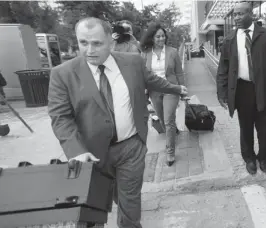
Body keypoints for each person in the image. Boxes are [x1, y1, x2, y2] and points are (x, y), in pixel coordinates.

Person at [47, 17, 187, 228]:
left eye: (97, 43)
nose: (89, 50)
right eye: (83, 43)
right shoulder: (62, 75)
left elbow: (152, 80)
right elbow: (60, 117)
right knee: (92, 213)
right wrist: (75, 150)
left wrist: (177, 89)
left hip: (130, 148)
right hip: (90, 155)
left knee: (130, 205)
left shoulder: (133, 62)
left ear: (111, 42)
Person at [216, 2, 266, 175]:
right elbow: (223, 69)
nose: (236, 18)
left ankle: (263, 158)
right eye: (235, 15)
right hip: (242, 89)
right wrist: (222, 93)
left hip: (263, 89)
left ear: (250, 15)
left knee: (263, 127)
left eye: (240, 14)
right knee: (245, 127)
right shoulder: (230, 39)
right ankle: (249, 158)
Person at [139, 22, 185, 167]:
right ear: (152, 38)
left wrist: (183, 91)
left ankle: (170, 151)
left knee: (168, 120)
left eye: (162, 36)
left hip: (171, 89)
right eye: (157, 36)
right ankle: (172, 133)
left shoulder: (173, 52)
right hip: (154, 91)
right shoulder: (145, 54)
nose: (160, 39)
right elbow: (142, 74)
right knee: (162, 119)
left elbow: (179, 73)